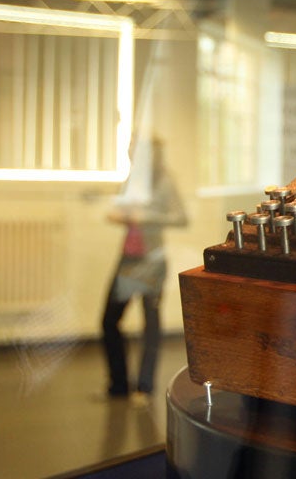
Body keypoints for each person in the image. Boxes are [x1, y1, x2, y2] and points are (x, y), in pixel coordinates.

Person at [101, 137, 186, 401]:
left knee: (150, 324)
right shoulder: (131, 180)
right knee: (108, 320)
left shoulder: (163, 181)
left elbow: (180, 217)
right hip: (129, 258)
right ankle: (118, 385)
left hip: (151, 260)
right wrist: (120, 216)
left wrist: (145, 216)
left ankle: (144, 387)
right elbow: (119, 210)